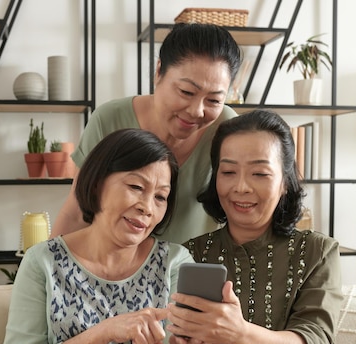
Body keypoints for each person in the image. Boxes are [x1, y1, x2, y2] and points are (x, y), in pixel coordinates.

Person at [166, 110, 356, 344]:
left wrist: (238, 332)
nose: (241, 187)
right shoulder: (190, 256)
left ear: (285, 181)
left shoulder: (317, 251)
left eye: (259, 173)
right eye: (228, 172)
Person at [0, 128, 195, 344]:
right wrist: (102, 333)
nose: (147, 207)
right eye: (136, 187)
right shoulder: (42, 262)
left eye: (161, 197)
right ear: (96, 184)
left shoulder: (174, 264)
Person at [51, 23, 242, 244]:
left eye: (214, 100)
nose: (196, 111)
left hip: (194, 272)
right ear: (159, 71)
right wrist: (44, 268)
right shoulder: (109, 120)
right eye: (186, 92)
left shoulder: (227, 128)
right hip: (113, 272)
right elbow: (77, 213)